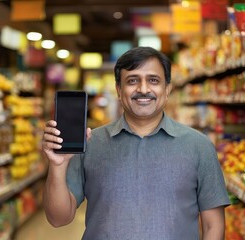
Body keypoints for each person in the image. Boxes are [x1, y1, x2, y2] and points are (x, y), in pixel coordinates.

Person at [42, 46, 230, 239]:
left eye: (153, 80)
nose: (143, 89)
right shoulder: (91, 143)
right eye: (132, 80)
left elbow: (212, 226)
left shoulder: (199, 146)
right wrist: (57, 165)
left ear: (167, 89)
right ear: (118, 89)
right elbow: (58, 219)